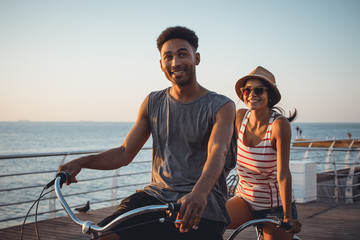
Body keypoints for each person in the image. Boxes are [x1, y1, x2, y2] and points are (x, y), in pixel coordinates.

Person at [59, 26, 236, 240]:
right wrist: (82, 162)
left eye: (182, 54)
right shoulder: (153, 102)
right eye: (168, 57)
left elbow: (219, 150)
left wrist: (199, 192)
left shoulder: (221, 105)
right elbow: (125, 152)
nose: (175, 62)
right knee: (103, 235)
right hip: (155, 197)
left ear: (196, 58)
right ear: (161, 64)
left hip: (202, 203)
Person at [226, 66, 302, 239]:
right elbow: (222, 154)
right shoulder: (239, 117)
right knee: (212, 220)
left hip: (275, 206)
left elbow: (283, 174)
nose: (252, 94)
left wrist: (287, 216)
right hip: (245, 199)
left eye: (259, 90)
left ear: (270, 96)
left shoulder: (279, 125)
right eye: (247, 89)